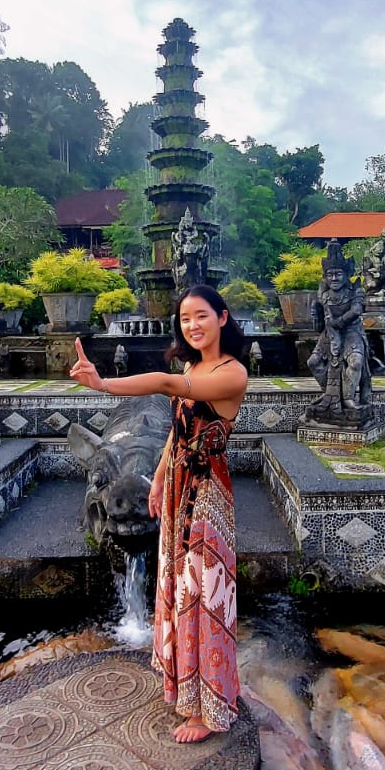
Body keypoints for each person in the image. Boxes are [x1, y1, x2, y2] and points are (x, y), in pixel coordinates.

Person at [70, 285, 248, 743]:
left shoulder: (232, 374)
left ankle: (209, 710)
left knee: (205, 598)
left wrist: (104, 384)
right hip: (177, 491)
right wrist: (162, 477)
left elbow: (170, 387)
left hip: (207, 497)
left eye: (201, 315)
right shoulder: (193, 364)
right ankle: (188, 688)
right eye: (185, 318)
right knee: (179, 590)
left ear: (222, 318)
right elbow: (177, 428)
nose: (192, 325)